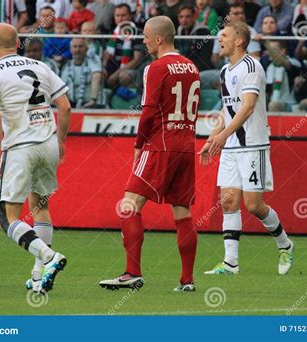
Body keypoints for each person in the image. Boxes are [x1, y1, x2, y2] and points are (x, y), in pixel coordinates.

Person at [99, 15, 200, 292]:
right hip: (186, 144)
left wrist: (139, 144)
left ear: (159, 38)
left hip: (160, 143)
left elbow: (148, 112)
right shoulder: (192, 67)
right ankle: (187, 280)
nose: (142, 40)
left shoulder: (155, 67)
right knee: (182, 211)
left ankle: (132, 272)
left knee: (129, 203)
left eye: (145, 36)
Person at [0, 23, 71, 294]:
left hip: (20, 148)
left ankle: (50, 258)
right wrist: (62, 142)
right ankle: (38, 277)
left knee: (7, 219)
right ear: (18, 42)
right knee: (40, 206)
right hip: (48, 144)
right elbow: (64, 105)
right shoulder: (40, 67)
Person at [199, 21, 294, 276]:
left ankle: (285, 244)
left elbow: (248, 107)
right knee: (228, 201)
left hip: (253, 144)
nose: (219, 40)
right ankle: (231, 263)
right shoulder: (224, 71)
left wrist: (223, 135)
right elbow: (227, 108)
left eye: (224, 36)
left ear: (239, 41)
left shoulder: (252, 67)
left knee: (254, 205)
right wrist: (213, 137)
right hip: (231, 146)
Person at [61, 38, 103, 108]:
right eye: (75, 46)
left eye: (80, 46)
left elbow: (97, 75)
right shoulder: (66, 67)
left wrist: (93, 100)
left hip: (93, 104)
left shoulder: (93, 60)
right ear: (71, 50)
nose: (78, 49)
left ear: (87, 49)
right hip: (72, 105)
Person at [176, 5, 213, 72]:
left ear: (194, 17)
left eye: (187, 16)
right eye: (181, 17)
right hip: (185, 68)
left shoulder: (204, 32)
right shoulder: (180, 30)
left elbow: (204, 58)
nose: (184, 20)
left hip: (202, 69)